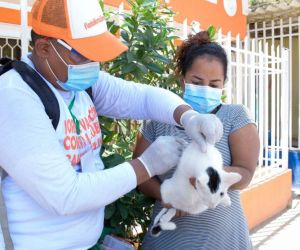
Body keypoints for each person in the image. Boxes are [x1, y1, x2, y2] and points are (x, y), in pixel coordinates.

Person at [0, 0, 224, 249]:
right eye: (83, 53)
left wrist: (189, 117)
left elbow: (143, 97)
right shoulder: (14, 97)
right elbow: (65, 196)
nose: (93, 62)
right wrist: (145, 166)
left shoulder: (75, 83)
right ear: (44, 48)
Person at [133, 30, 260, 250]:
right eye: (197, 81)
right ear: (183, 80)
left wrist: (209, 176)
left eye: (213, 85)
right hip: (168, 240)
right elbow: (139, 172)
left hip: (223, 239)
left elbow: (246, 172)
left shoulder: (235, 116)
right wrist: (167, 197)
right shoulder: (158, 118)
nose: (205, 89)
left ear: (223, 85)